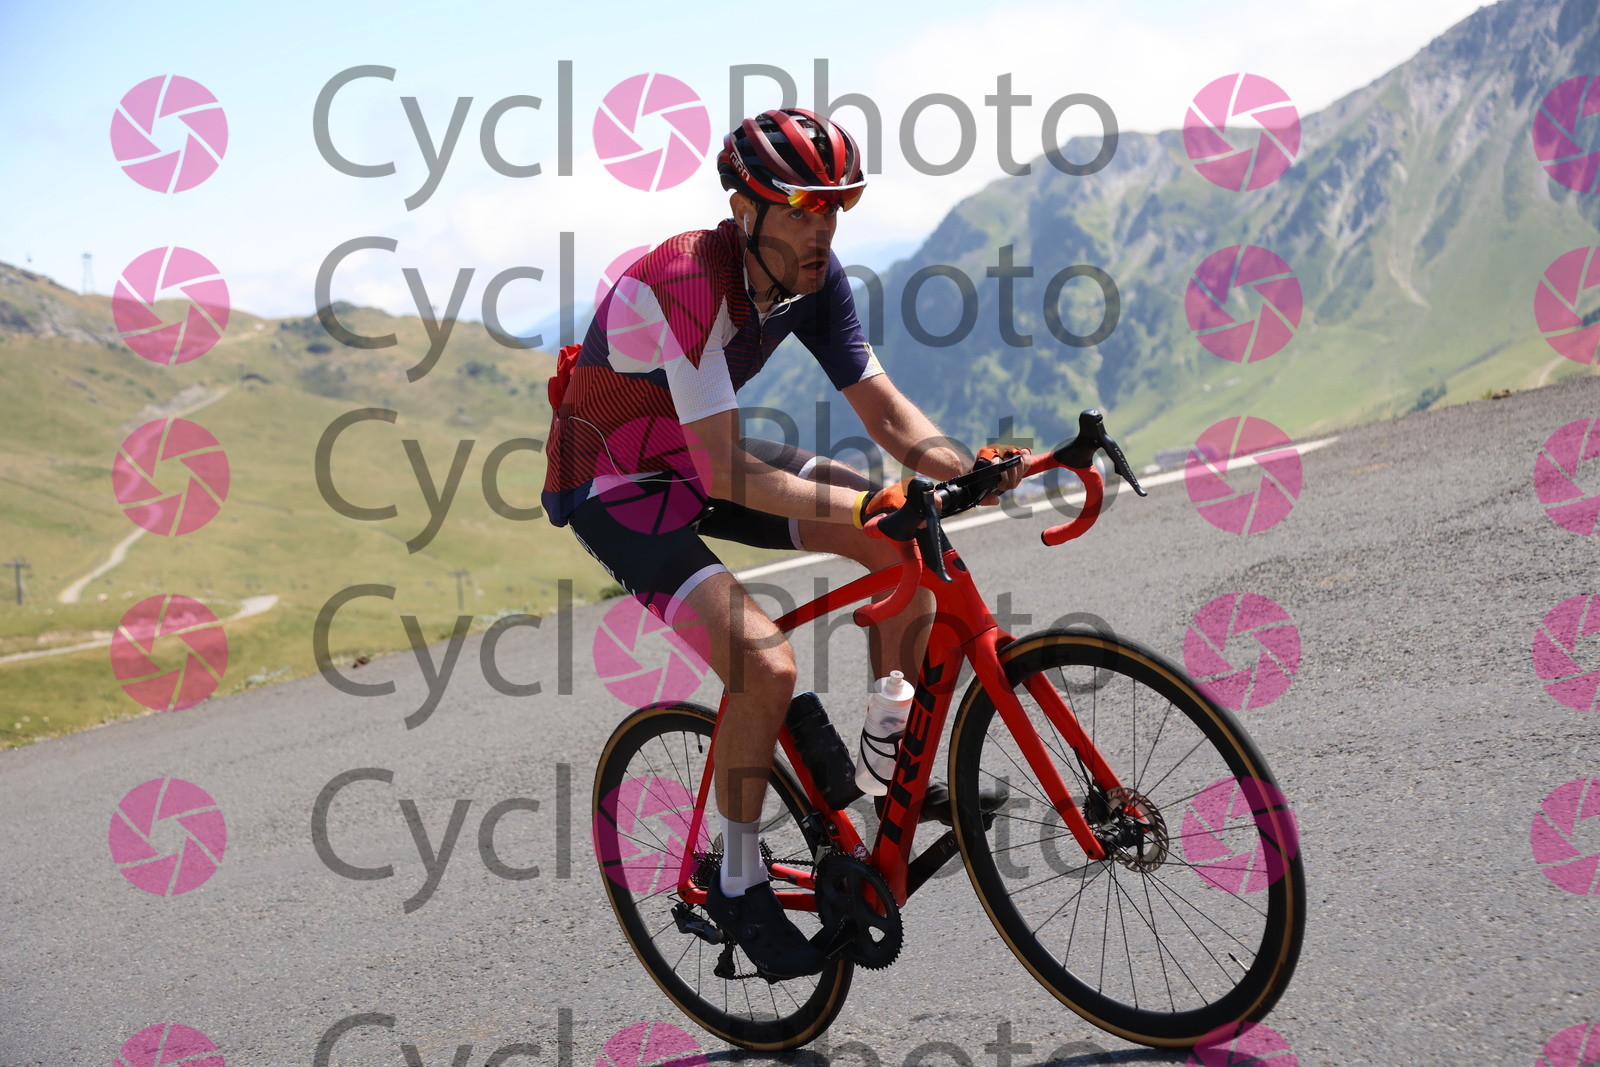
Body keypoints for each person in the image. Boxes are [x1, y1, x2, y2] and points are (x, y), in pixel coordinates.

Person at [542, 108, 1022, 978]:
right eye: (803, 207)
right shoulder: (687, 281)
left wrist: (968, 471)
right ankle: (735, 876)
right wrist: (870, 502)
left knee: (908, 545)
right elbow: (726, 471)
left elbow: (885, 410)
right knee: (763, 663)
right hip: (613, 482)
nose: (823, 227)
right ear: (745, 209)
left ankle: (886, 764)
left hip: (692, 456)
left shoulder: (813, 276)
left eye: (838, 205)